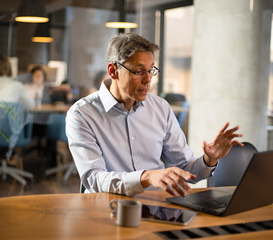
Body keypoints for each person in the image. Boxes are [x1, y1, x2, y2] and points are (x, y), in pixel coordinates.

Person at [66, 33, 243, 197]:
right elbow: (94, 178)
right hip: (105, 211)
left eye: (151, 70)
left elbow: (183, 169)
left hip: (156, 208)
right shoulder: (81, 114)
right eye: (139, 71)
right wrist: (146, 177)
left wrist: (208, 159)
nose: (148, 79)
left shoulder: (160, 108)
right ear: (113, 71)